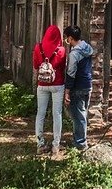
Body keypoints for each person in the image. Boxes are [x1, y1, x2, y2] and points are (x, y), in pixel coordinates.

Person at [32, 24, 66, 157]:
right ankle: (56, 145)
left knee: (40, 114)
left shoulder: (38, 47)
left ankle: (40, 144)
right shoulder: (61, 50)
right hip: (57, 84)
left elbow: (35, 65)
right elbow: (63, 67)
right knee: (57, 114)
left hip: (42, 84)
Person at [63, 25, 94, 151]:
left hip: (78, 87)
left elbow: (71, 73)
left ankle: (80, 143)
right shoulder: (87, 48)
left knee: (78, 116)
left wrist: (67, 92)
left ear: (70, 38)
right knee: (82, 113)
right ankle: (78, 138)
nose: (66, 41)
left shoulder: (74, 54)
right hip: (88, 84)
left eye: (67, 38)